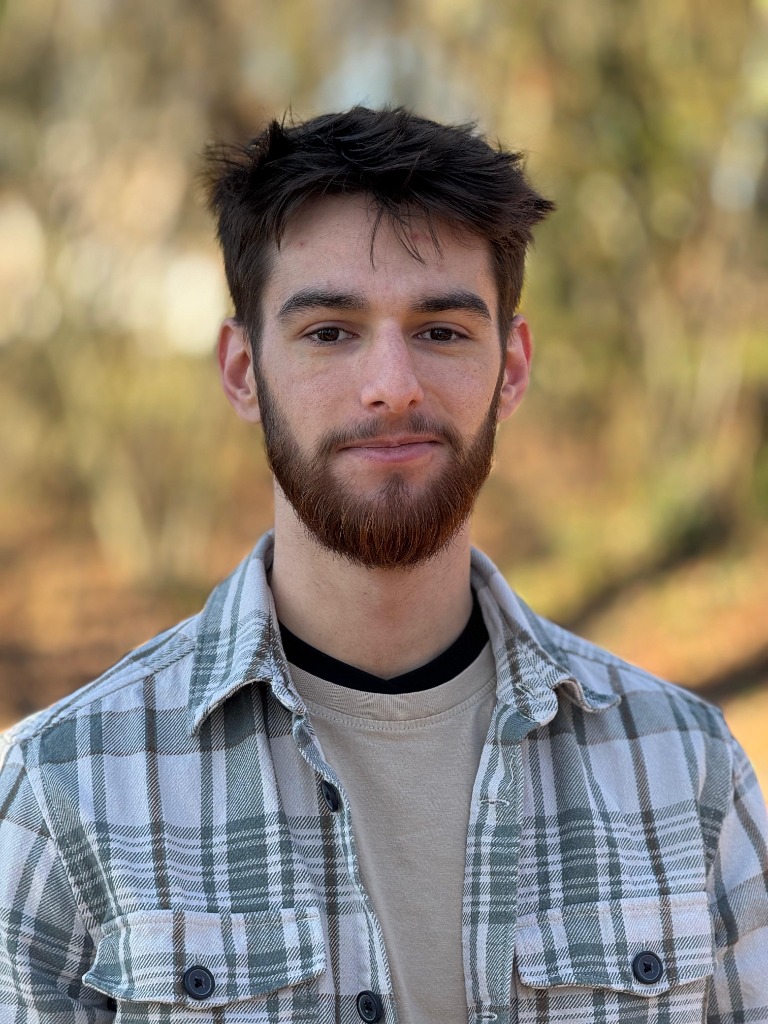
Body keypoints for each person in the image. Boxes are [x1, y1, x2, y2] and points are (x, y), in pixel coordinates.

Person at [0, 107, 766, 1024]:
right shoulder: (62, 792)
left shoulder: (689, 774)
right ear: (244, 371)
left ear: (510, 368)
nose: (392, 383)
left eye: (442, 330)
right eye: (330, 331)